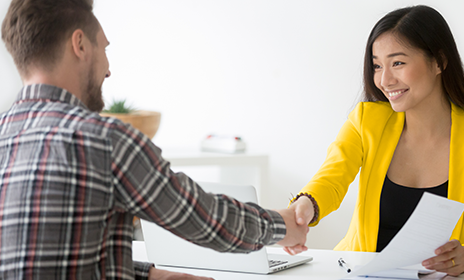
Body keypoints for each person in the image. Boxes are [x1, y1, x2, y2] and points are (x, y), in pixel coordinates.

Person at [0, 1, 308, 279]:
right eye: (104, 48)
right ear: (80, 44)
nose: (108, 70)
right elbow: (203, 217)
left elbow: (38, 258)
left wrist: (148, 275)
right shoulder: (103, 141)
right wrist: (283, 226)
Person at [287, 5, 464, 276]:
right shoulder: (366, 121)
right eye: (377, 66)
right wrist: (305, 206)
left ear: (439, 62)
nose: (385, 80)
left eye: (398, 63)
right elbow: (331, 179)